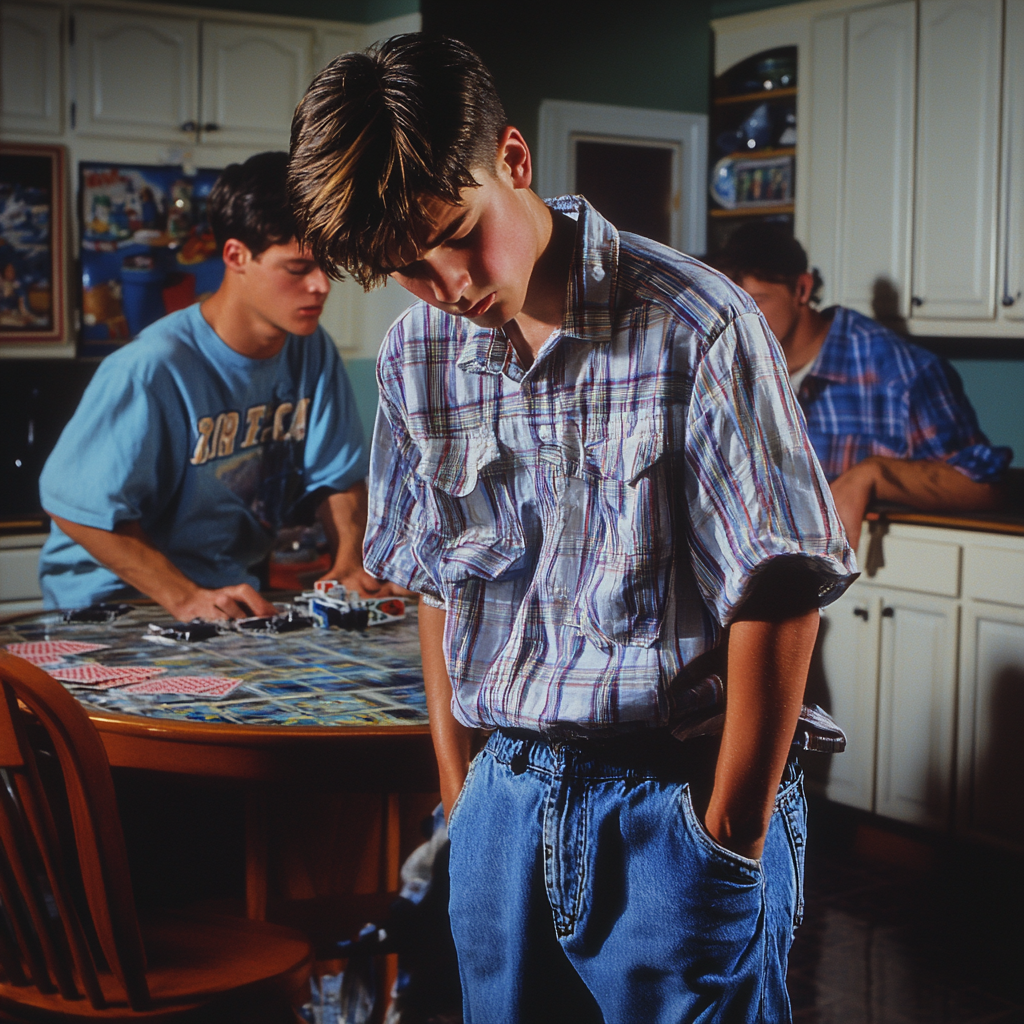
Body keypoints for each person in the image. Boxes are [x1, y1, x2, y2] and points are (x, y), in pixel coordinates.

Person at [288, 34, 857, 1024]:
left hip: (670, 800)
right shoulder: (418, 353)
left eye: (457, 233)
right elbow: (433, 581)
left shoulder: (698, 323)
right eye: (405, 269)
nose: (448, 284)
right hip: (502, 799)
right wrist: (460, 789)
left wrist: (727, 836)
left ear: (513, 160)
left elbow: (780, 587)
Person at [39, 151, 393, 619]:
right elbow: (74, 505)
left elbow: (338, 478)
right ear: (235, 256)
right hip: (115, 602)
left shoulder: (312, 349)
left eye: (328, 265)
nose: (322, 286)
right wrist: (183, 597)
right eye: (298, 268)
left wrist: (348, 563)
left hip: (224, 594)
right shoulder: (151, 367)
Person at [717, 222, 1012, 549]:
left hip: (877, 576)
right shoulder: (732, 370)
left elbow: (983, 486)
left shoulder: (900, 373)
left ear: (802, 289)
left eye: (756, 302)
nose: (740, 321)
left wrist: (873, 474)